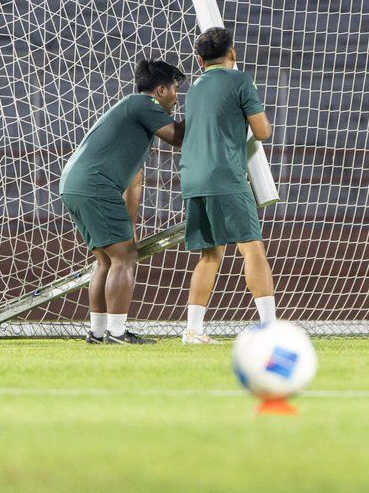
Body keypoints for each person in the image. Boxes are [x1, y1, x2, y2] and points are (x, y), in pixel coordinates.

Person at [59, 59, 185, 345]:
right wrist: (203, 108)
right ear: (160, 90)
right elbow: (179, 137)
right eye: (175, 89)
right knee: (124, 258)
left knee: (106, 260)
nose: (177, 97)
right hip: (95, 185)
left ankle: (98, 332)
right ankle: (117, 333)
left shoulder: (132, 119)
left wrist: (130, 227)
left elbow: (134, 182)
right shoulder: (144, 104)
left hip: (75, 184)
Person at [179, 27, 275, 345]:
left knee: (209, 254)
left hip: (192, 177)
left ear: (199, 60)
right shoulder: (240, 80)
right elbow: (262, 132)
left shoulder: (193, 88)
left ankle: (193, 330)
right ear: (232, 53)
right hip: (224, 175)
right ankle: (270, 327)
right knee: (252, 249)